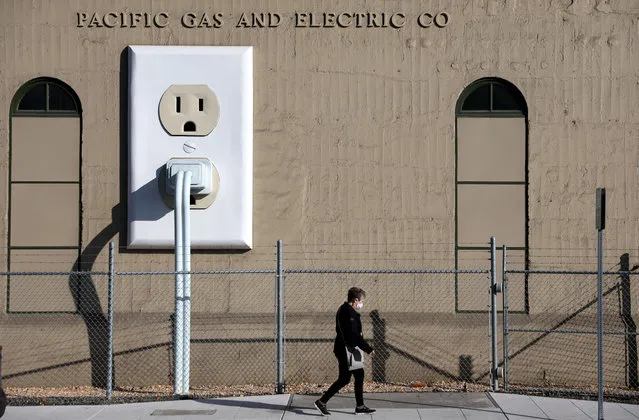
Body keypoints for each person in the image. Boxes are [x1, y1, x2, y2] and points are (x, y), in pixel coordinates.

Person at [314, 287, 376, 415]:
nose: (361, 304)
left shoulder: (345, 310)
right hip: (346, 350)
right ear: (355, 300)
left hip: (346, 349)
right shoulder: (348, 313)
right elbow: (353, 335)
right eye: (361, 301)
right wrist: (368, 349)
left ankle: (324, 402)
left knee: (348, 377)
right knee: (352, 376)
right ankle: (357, 406)